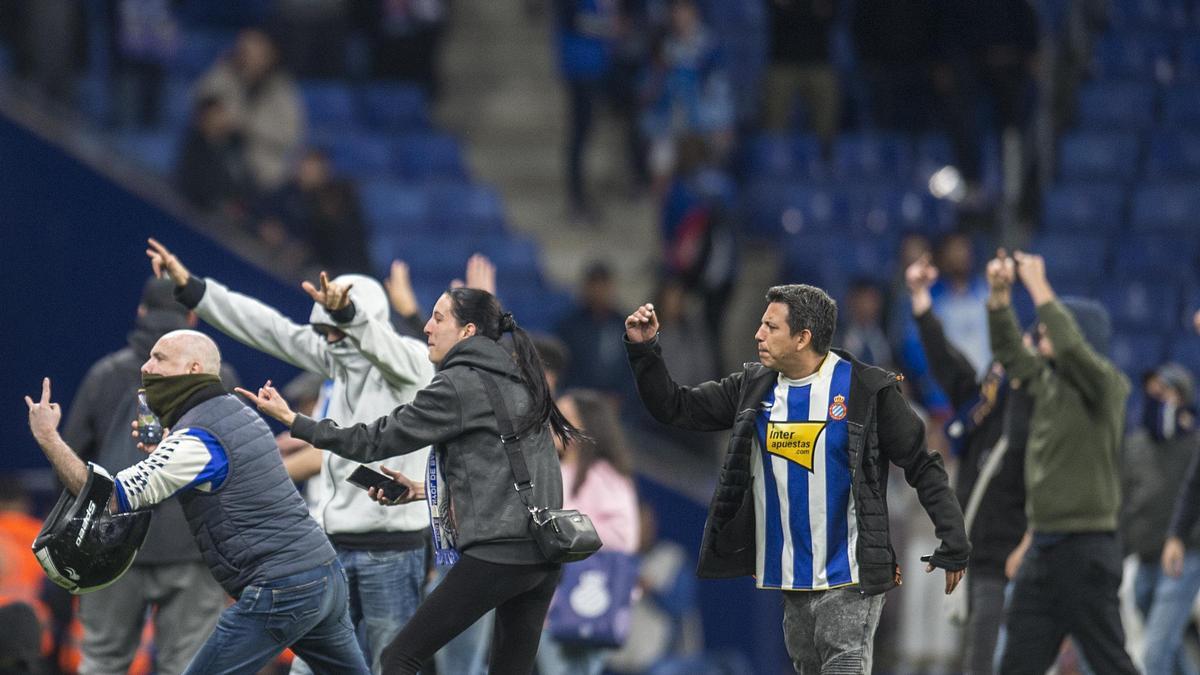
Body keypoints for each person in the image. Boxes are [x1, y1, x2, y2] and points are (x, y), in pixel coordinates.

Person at [623, 283, 969, 673]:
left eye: (771, 327)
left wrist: (952, 536)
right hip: (791, 580)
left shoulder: (867, 389)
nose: (758, 334)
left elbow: (921, 461)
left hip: (849, 577)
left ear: (803, 338)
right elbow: (677, 407)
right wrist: (645, 351)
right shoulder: (753, 388)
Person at [240, 288, 575, 675]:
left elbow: (374, 440)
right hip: (544, 555)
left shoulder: (460, 384)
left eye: (437, 318)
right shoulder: (519, 379)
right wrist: (421, 491)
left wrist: (297, 423)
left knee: (399, 657)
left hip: (497, 553)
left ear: (467, 331)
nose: (427, 328)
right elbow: (509, 472)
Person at [145, 238, 434, 675]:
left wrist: (346, 315)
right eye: (326, 330)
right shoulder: (340, 360)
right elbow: (268, 328)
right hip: (332, 546)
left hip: (392, 552)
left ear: (366, 321)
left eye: (339, 329)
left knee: (390, 666)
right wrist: (194, 289)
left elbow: (380, 345)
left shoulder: (411, 362)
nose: (330, 340)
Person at [24, 331, 369, 674]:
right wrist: (167, 453)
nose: (147, 366)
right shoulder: (235, 413)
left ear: (192, 369)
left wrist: (48, 438)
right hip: (325, 575)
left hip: (282, 587)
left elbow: (108, 498)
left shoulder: (196, 439)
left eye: (159, 358)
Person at [60, 277, 237, 675]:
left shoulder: (104, 374)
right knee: (188, 667)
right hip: (194, 548)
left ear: (141, 312)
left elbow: (69, 464)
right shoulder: (218, 378)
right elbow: (237, 463)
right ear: (191, 317)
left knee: (103, 663)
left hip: (110, 547)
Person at [985, 250, 1135, 674]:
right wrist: (999, 298)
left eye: (1051, 326)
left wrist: (1036, 285)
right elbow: (1011, 354)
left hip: (1086, 549)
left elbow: (1071, 346)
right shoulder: (1048, 384)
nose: (1042, 332)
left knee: (1109, 663)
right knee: (1016, 664)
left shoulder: (1106, 387)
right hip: (1044, 549)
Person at [907, 254, 1030, 675]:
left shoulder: (1036, 410)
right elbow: (944, 359)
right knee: (979, 659)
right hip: (979, 556)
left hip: (1015, 557)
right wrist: (921, 300)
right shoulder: (981, 405)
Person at [537, 389, 640, 675]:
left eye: (561, 418)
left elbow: (624, 537)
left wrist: (563, 530)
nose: (550, 424)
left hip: (589, 600)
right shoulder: (549, 472)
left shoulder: (604, 475)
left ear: (585, 427)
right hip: (547, 609)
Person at [1130, 364, 1200, 675]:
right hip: (1145, 556)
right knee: (1169, 651)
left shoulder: (1193, 442)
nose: (1156, 399)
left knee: (1156, 653)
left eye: (1165, 392)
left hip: (1185, 556)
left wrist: (1181, 537)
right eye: (1152, 392)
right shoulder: (1135, 445)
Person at [195, 29, 305, 193]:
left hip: (262, 170)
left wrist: (245, 125)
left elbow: (290, 137)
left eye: (256, 50)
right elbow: (201, 99)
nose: (248, 55)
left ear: (270, 54)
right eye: (244, 49)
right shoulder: (225, 72)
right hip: (219, 159)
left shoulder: (282, 88)